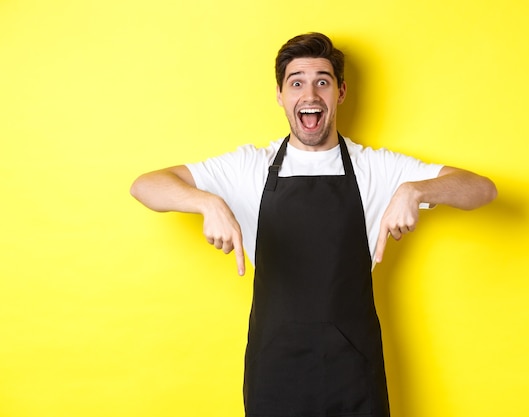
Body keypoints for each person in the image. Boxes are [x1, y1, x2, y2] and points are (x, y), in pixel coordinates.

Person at [130, 32, 497, 417]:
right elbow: (145, 186)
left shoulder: (376, 168)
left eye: (322, 81)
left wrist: (414, 189)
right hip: (275, 370)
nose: (310, 94)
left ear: (340, 92)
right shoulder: (249, 167)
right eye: (297, 82)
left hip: (354, 369)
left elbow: (482, 190)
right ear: (280, 95)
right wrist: (205, 201)